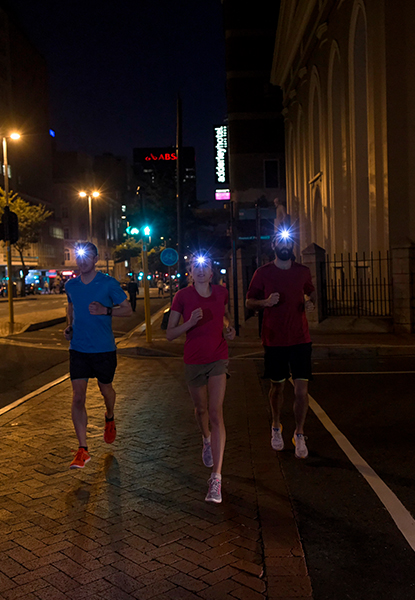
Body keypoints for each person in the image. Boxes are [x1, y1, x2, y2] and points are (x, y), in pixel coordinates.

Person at [166, 253, 235, 503]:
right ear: (191, 272)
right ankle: (205, 439)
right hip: (194, 360)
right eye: (197, 267)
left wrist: (229, 328)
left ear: (211, 272)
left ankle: (216, 478)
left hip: (218, 357)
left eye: (205, 267)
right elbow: (170, 334)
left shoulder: (221, 292)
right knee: (201, 409)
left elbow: (225, 315)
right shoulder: (182, 297)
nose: (201, 271)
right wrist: (190, 323)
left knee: (216, 412)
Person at [246, 228, 316, 459]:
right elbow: (249, 302)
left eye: (288, 242)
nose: (285, 246)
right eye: (280, 242)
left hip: (300, 339)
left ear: (292, 246)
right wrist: (265, 302)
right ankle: (276, 426)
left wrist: (308, 302)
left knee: (301, 390)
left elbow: (310, 294)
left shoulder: (303, 272)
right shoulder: (263, 273)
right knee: (277, 387)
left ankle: (300, 433)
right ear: (274, 246)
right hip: (274, 339)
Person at [64, 242, 132, 469]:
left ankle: (110, 416)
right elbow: (71, 308)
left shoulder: (108, 283)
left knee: (106, 390)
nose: (82, 261)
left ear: (96, 259)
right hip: (78, 349)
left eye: (87, 256)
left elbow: (128, 309)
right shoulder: (71, 285)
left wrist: (106, 310)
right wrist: (70, 327)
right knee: (77, 397)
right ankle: (82, 449)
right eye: (79, 256)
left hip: (103, 349)